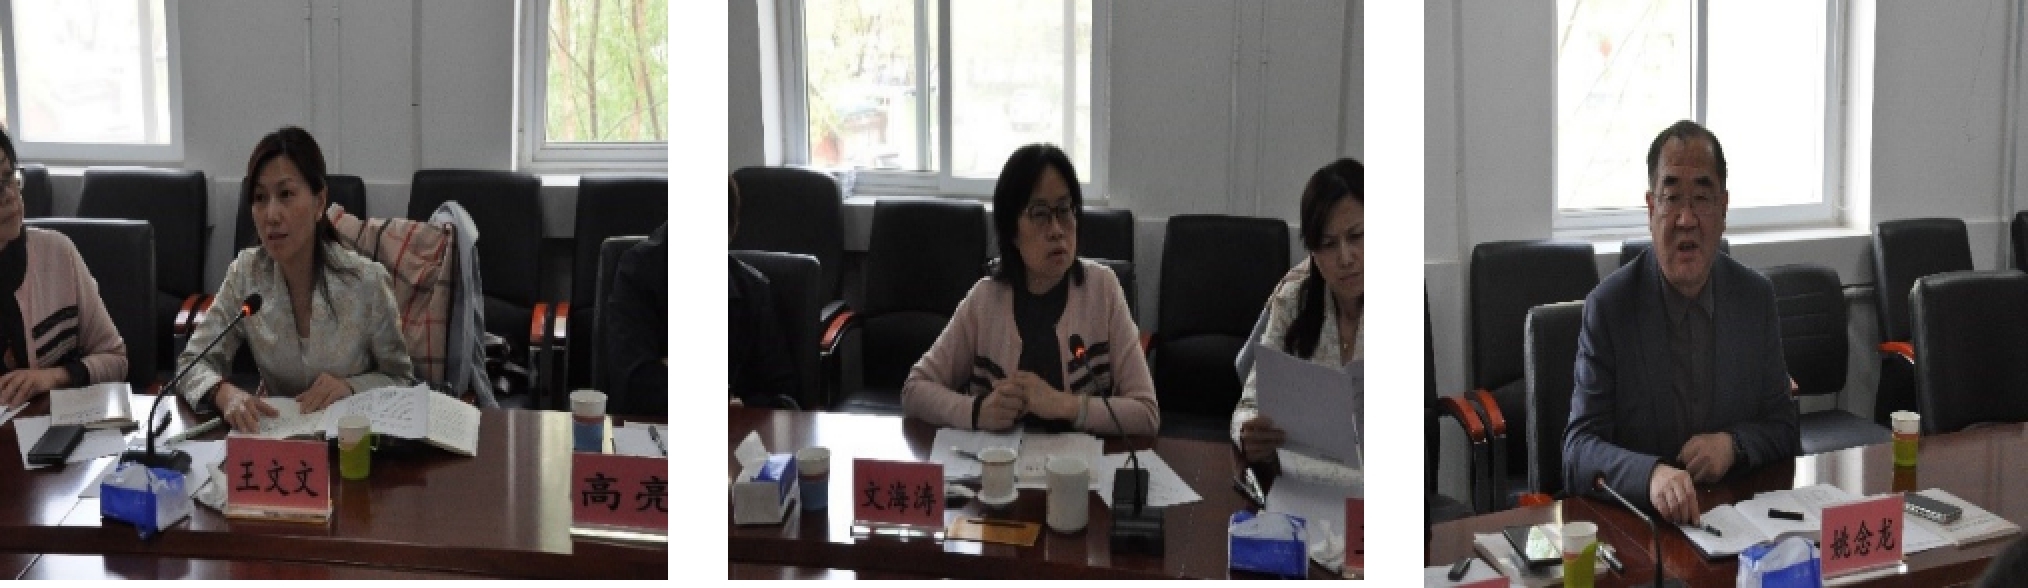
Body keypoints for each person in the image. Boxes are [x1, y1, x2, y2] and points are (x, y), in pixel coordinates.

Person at [1563, 120, 1800, 524]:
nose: (1686, 220)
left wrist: (1733, 445)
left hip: (1731, 522)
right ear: (1651, 209)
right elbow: (1578, 449)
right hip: (1642, 527)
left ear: (1723, 209)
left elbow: (1784, 426)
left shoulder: (1754, 298)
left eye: (1702, 199)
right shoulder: (1610, 307)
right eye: (1671, 198)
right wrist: (1649, 474)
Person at [901, 144, 1158, 435]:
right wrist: (977, 411)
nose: (1057, 229)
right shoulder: (985, 300)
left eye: (1065, 210)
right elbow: (915, 390)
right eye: (1040, 214)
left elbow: (1146, 413)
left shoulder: (1103, 290)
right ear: (1012, 230)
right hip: (999, 461)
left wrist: (1065, 405)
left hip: (1078, 462)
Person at [179, 127, 414, 432]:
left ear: (319, 202)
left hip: (350, 444)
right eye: (260, 198)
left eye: (286, 194)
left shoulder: (366, 282)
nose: (271, 215)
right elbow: (191, 363)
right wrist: (224, 394)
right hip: (278, 440)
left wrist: (351, 387)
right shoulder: (246, 274)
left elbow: (401, 380)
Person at [1231, 159, 1363, 478]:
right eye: (1328, 245)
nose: (1346, 258)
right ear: (1313, 253)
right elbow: (1248, 406)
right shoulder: (1293, 301)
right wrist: (1249, 434)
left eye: (1357, 236)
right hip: (1299, 486)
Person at [0, 126, 128, 406]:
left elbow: (115, 360)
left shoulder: (57, 253)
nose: (9, 195)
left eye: (10, 178)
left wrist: (53, 377)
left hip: (52, 425)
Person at [723, 178, 794, 409]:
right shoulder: (637, 277)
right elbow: (631, 384)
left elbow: (782, 394)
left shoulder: (754, 294)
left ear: (729, 232)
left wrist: (741, 405)